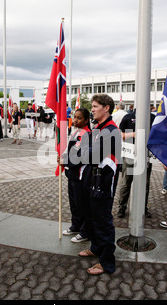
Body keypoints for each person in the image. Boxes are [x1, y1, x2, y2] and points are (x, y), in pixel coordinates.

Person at [78, 93, 121, 275]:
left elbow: (91, 154)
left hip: (102, 184)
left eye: (95, 106)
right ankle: (96, 248)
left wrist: (75, 154)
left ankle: (107, 263)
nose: (92, 110)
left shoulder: (111, 130)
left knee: (103, 223)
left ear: (106, 108)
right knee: (92, 218)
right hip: (93, 182)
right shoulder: (99, 128)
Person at [116, 107, 155, 219]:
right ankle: (121, 208)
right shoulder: (128, 117)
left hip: (145, 156)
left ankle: (143, 208)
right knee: (125, 183)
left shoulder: (152, 118)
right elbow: (120, 135)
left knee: (145, 184)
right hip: (129, 155)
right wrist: (132, 134)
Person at [60, 108, 92, 243]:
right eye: (75, 117)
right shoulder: (75, 132)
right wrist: (63, 158)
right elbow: (71, 151)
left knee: (82, 204)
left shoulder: (88, 135)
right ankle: (76, 225)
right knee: (73, 203)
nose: (75, 120)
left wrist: (66, 161)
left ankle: (85, 231)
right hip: (71, 174)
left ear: (86, 120)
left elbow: (82, 157)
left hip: (81, 176)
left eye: (79, 118)